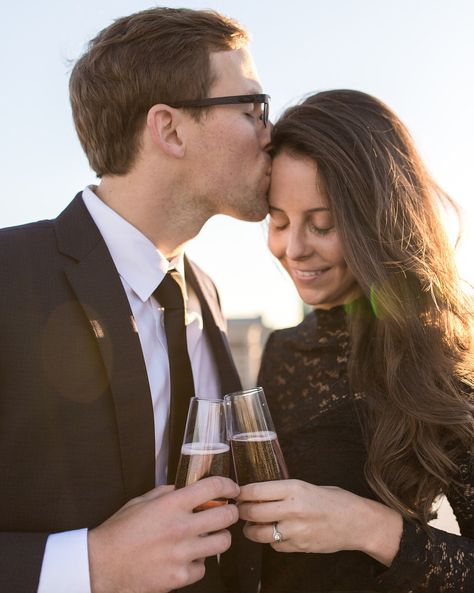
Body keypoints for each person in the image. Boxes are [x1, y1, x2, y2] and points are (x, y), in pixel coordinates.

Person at [0, 7, 271, 593]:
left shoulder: (205, 291)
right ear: (170, 129)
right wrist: (89, 564)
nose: (271, 132)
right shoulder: (7, 276)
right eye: (252, 109)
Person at [237, 89, 474, 592]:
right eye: (278, 222)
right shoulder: (281, 351)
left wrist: (367, 526)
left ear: (376, 221)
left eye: (321, 225)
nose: (293, 249)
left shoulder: (443, 357)